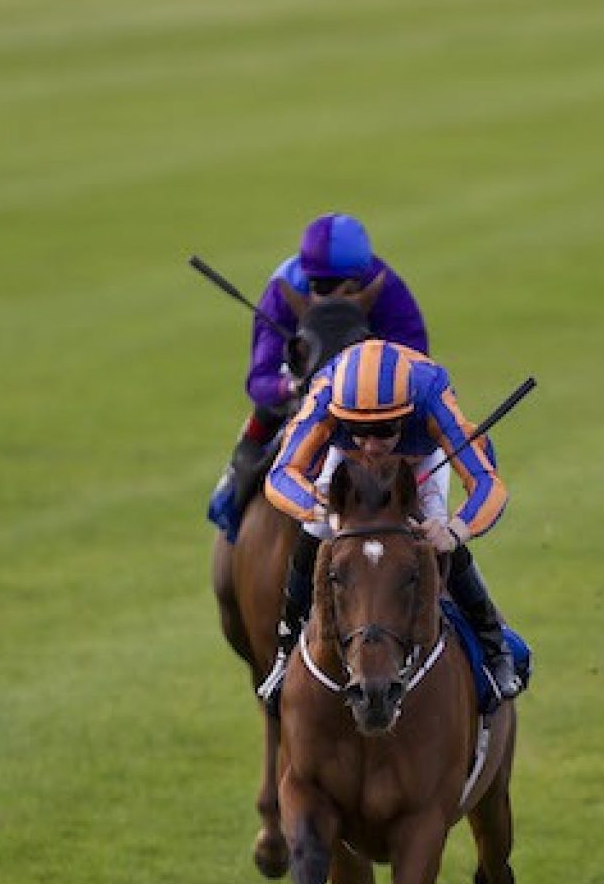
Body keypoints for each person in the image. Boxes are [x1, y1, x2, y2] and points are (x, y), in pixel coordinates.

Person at [259, 337, 521, 705]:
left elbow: (488, 484)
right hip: (345, 466)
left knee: (435, 530)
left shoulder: (431, 393)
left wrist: (453, 531)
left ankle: (495, 647)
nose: (371, 444)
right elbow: (281, 475)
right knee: (313, 530)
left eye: (385, 430)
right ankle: (286, 652)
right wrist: (324, 512)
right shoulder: (325, 393)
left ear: (408, 413)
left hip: (418, 464)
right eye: (358, 430)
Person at [210, 213, 429, 533]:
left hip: (370, 402)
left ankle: (454, 562)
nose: (330, 297)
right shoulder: (281, 292)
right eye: (318, 286)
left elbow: (418, 365)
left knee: (427, 500)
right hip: (302, 393)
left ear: (360, 280)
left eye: (344, 288)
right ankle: (232, 491)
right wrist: (290, 387)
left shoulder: (387, 290)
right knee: (263, 418)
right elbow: (259, 381)